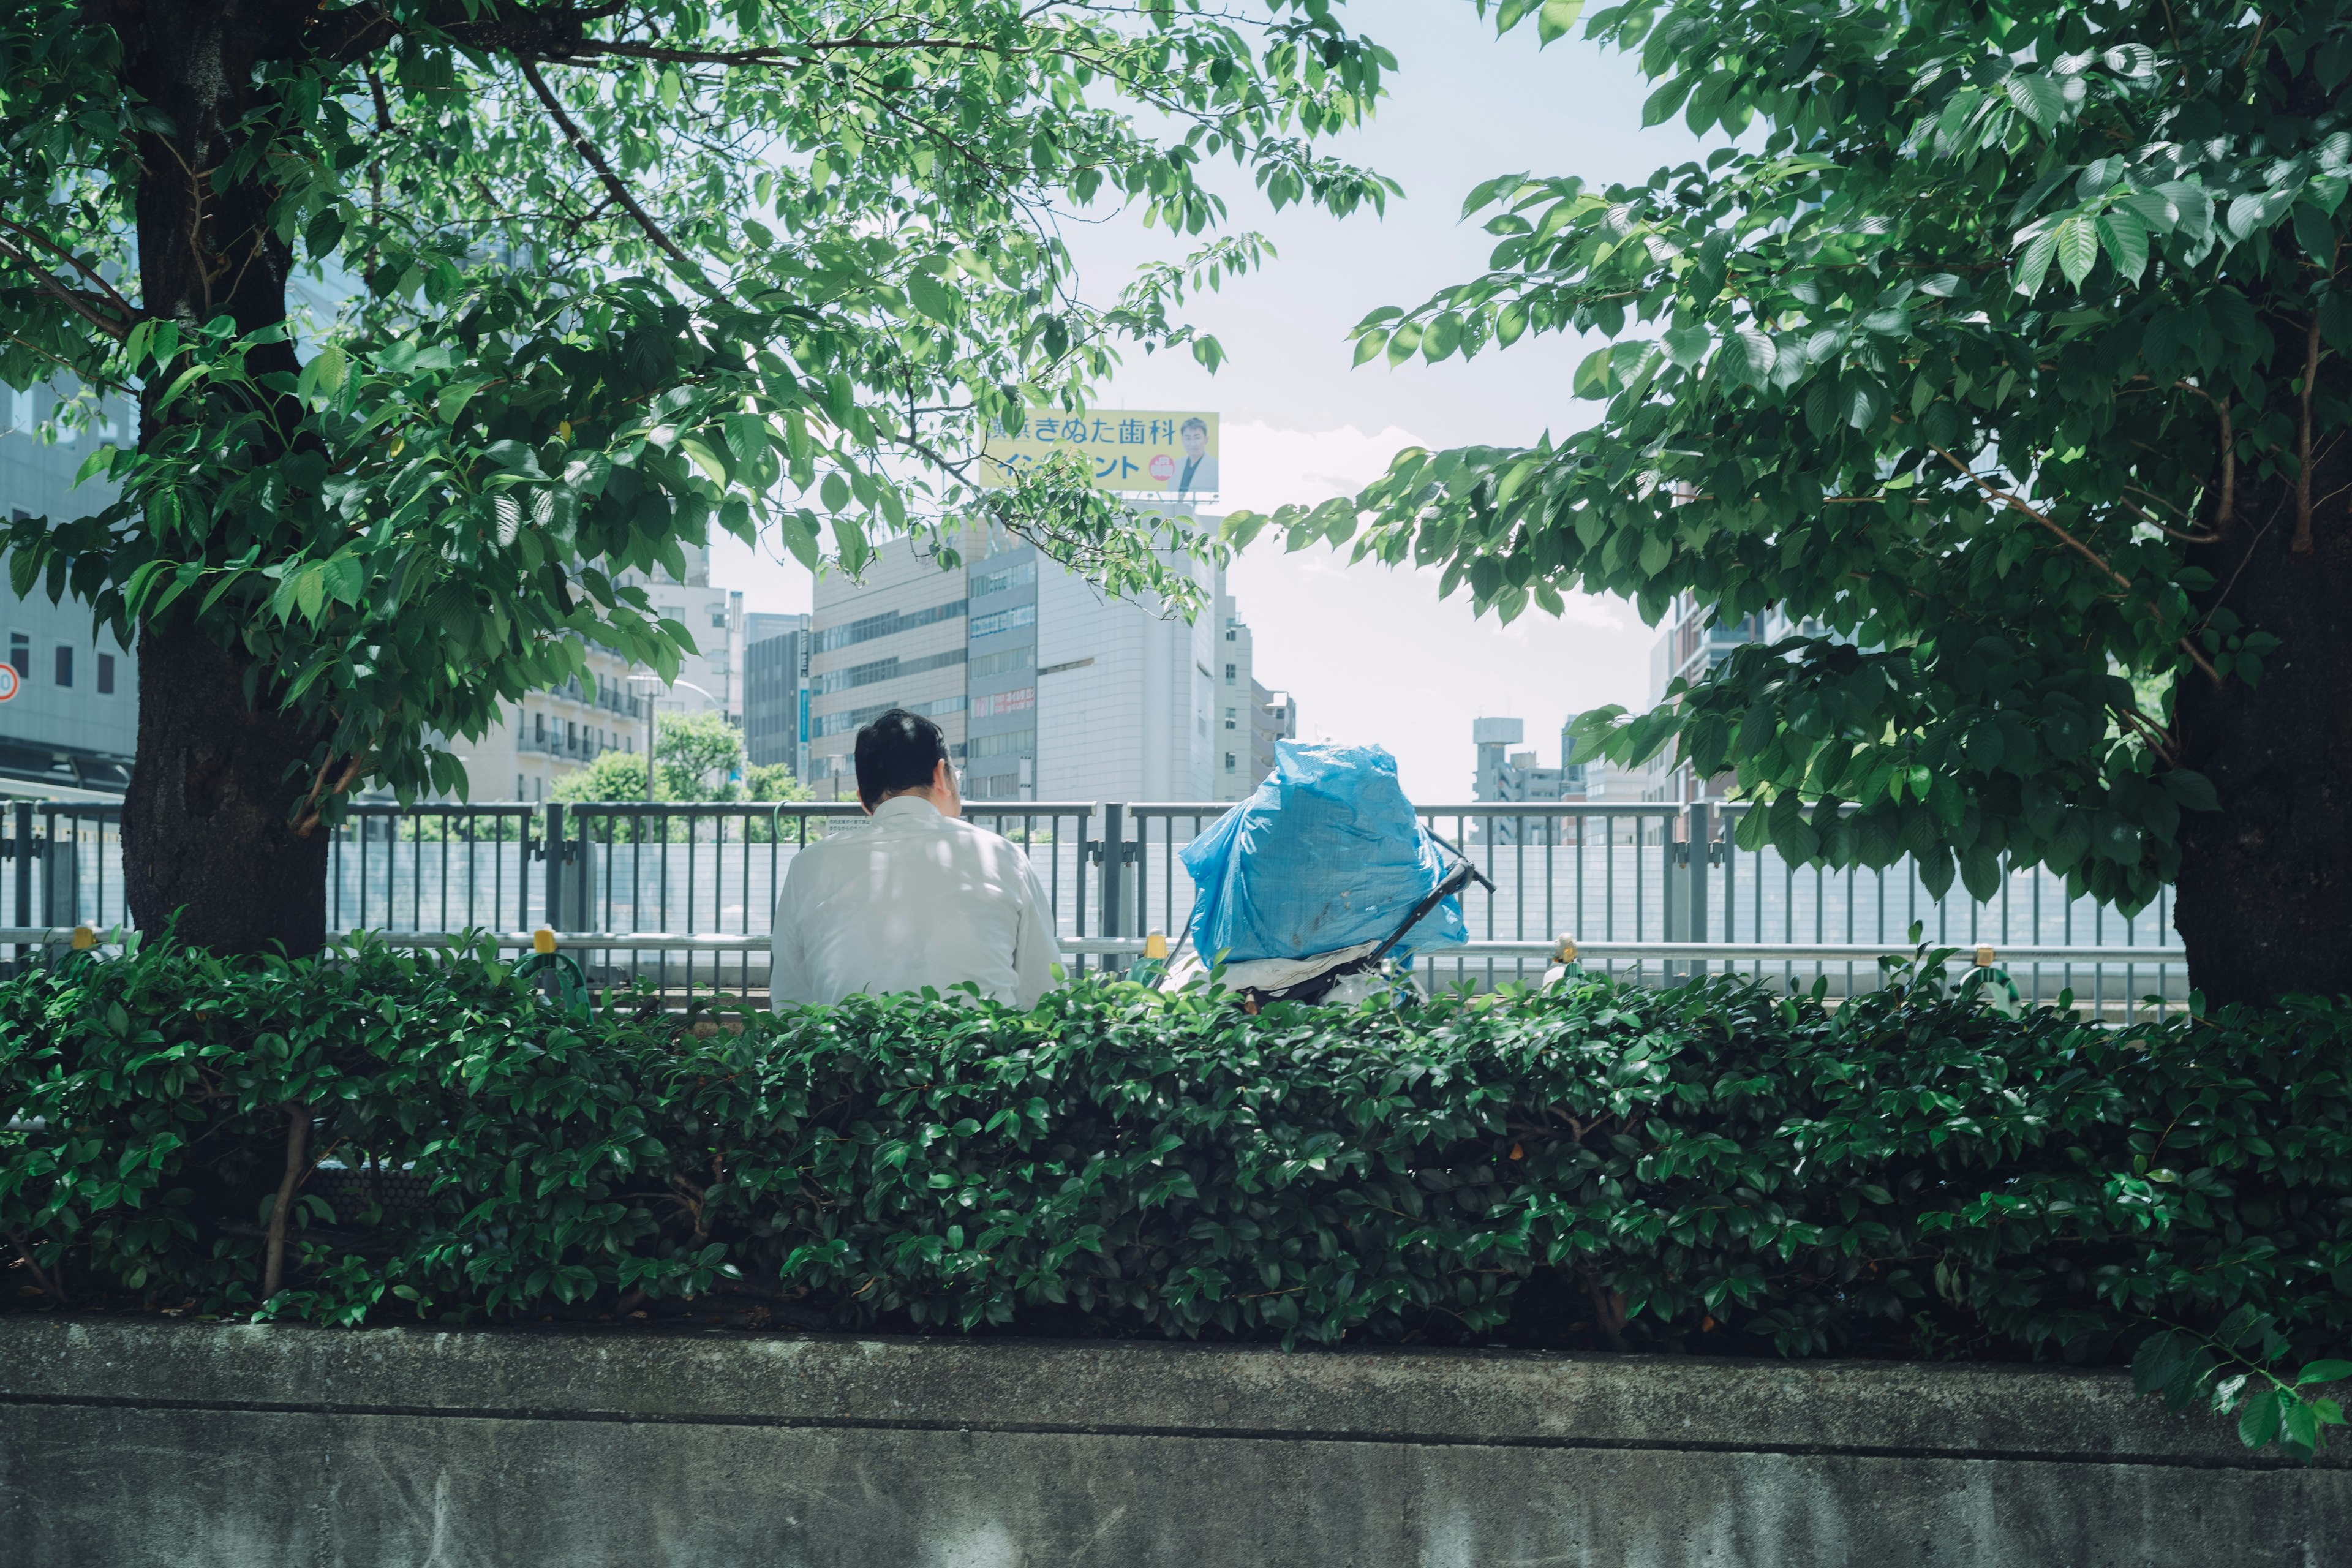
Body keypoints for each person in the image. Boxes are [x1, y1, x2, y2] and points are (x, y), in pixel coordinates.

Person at [769, 708, 1062, 1009]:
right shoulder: (1003, 856)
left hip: (847, 1051)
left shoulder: (809, 865)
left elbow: (791, 1001)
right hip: (980, 1051)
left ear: (863, 799)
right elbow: (1043, 991)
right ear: (940, 775)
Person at [1173, 415, 1218, 495]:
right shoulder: (1175, 465)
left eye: (1197, 438)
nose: (1193, 444)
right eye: (1188, 438)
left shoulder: (1216, 467)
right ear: (1182, 441)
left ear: (1206, 440)